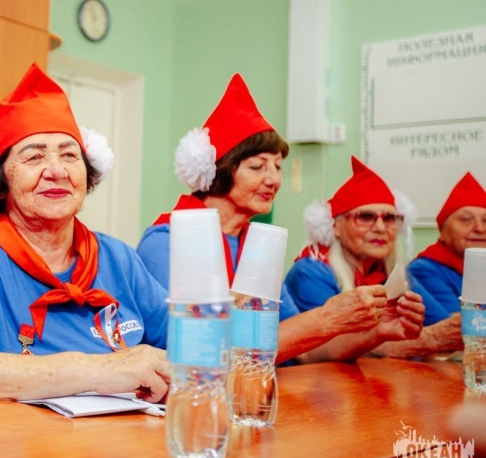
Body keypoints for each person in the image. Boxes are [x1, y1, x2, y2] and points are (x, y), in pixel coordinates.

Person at [137, 74, 425, 363]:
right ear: (218, 170)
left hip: (260, 386)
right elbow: (203, 349)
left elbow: (304, 349)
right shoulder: (168, 240)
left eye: (277, 167)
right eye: (257, 167)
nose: (274, 179)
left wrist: (376, 333)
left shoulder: (256, 245)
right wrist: (325, 318)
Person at [0, 64, 170, 402]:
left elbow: (188, 345)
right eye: (34, 157)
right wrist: (97, 370)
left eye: (69, 155)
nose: (56, 170)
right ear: (1, 179)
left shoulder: (119, 259)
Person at [285, 156, 460, 358]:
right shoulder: (311, 272)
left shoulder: (391, 272)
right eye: (366, 217)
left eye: (389, 218)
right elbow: (330, 346)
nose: (380, 228)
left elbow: (443, 326)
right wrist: (432, 339)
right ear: (335, 226)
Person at [409, 172, 486, 316]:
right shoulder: (423, 270)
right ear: (442, 232)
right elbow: (459, 325)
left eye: (485, 221)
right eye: (466, 219)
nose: (480, 229)